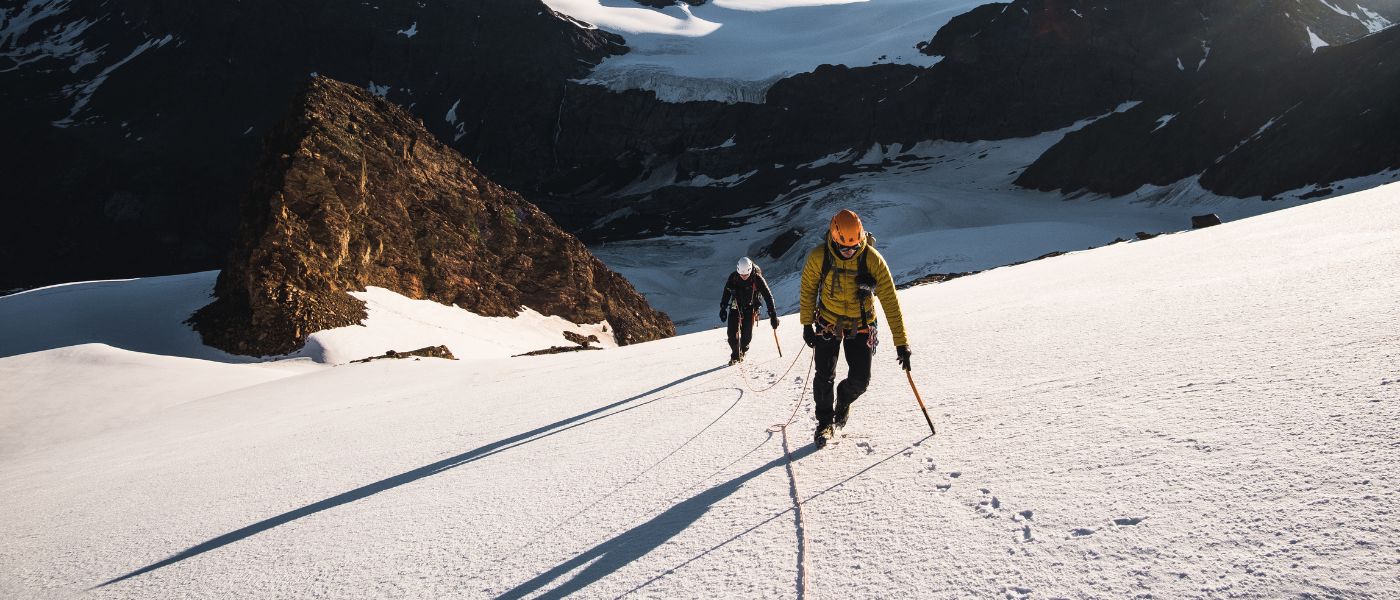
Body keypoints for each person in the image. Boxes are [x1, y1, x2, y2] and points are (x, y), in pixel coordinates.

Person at [799, 209, 911, 447]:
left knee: (860, 380)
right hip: (828, 322)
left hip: (861, 324)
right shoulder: (819, 257)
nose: (850, 252)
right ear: (833, 239)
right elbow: (808, 289)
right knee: (824, 376)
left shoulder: (872, 260)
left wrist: (901, 343)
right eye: (844, 248)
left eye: (854, 247)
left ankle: (844, 398)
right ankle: (825, 424)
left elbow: (890, 300)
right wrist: (807, 324)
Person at [720, 256, 778, 365]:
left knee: (746, 336)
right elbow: (726, 292)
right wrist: (723, 307)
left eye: (746, 275)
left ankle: (742, 350)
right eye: (741, 275)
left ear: (750, 270)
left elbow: (768, 296)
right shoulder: (734, 277)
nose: (743, 277)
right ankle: (735, 354)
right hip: (736, 305)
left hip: (750, 306)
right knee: (731, 333)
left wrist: (773, 315)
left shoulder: (757, 279)